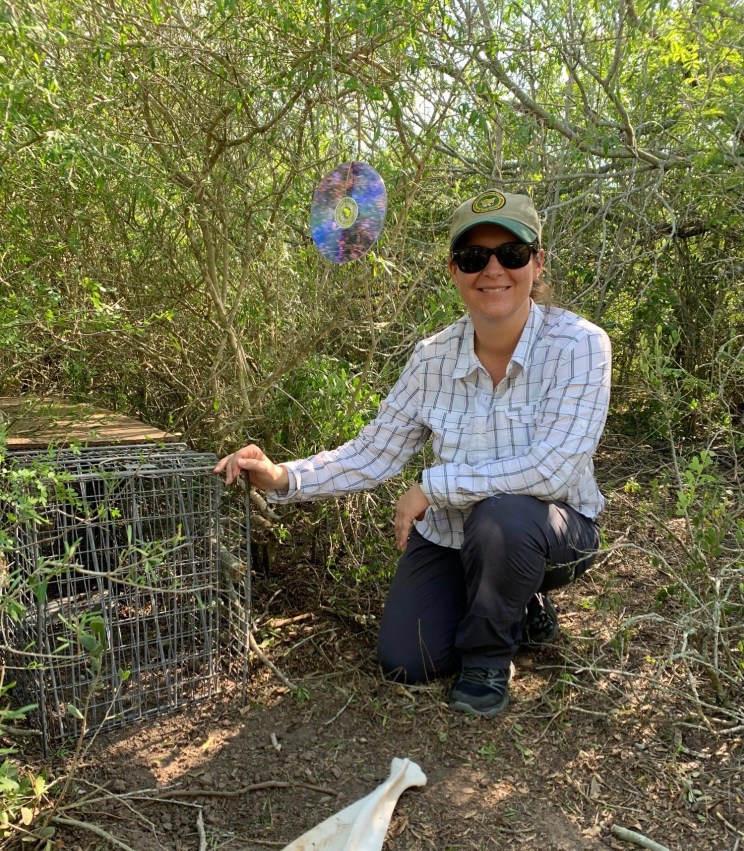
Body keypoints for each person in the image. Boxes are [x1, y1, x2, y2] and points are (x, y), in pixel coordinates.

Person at [215, 189, 611, 718]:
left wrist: (432, 487)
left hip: (549, 532)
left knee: (504, 517)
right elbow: (373, 451)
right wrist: (282, 475)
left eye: (511, 254)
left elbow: (552, 470)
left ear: (537, 263)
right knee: (408, 659)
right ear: (454, 271)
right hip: (453, 535)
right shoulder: (431, 358)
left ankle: (488, 661)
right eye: (474, 257)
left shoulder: (580, 344)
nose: (493, 270)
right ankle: (517, 605)